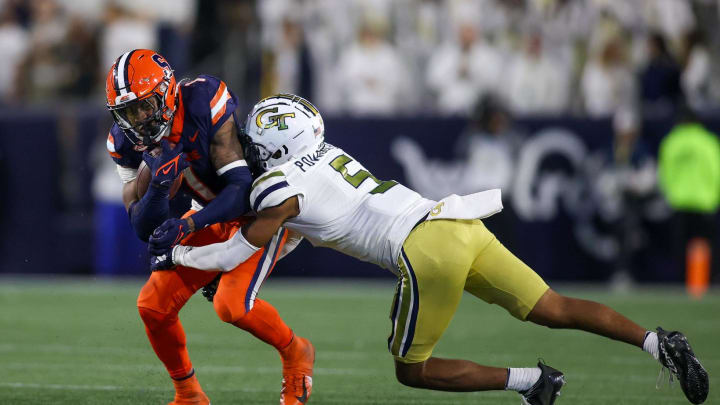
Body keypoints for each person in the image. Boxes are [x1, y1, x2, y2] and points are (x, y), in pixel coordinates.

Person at [150, 94, 709, 405]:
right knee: (556, 307)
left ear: (273, 145)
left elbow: (229, 258)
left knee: (411, 373)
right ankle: (658, 342)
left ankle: (533, 383)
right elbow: (297, 233)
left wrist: (177, 256)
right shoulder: (325, 155)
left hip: (424, 251)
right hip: (455, 219)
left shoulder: (276, 187)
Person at [104, 51, 314, 405]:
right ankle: (188, 394)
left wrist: (188, 224)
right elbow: (141, 226)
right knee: (153, 306)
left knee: (231, 305)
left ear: (168, 92)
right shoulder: (124, 142)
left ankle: (296, 352)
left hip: (263, 209)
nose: (138, 119)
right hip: (212, 213)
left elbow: (240, 189)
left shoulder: (202, 100)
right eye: (128, 112)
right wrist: (157, 186)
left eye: (145, 105)